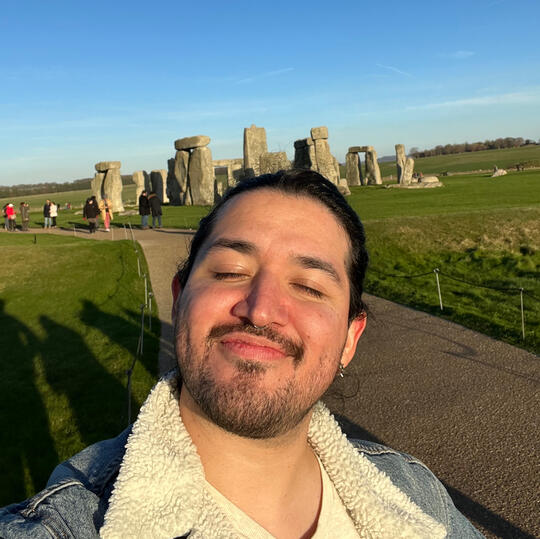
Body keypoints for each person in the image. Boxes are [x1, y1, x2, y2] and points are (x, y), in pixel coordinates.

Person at [0, 170, 483, 537]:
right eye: (230, 271)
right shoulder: (67, 525)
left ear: (350, 340)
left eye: (309, 286)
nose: (261, 309)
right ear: (178, 299)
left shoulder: (414, 491)